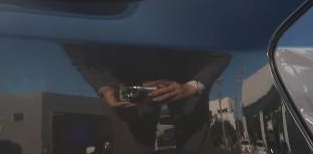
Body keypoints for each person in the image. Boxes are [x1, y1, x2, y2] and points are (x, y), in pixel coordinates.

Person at [62, 42, 231, 154]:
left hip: (190, 112)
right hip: (130, 113)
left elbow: (222, 53)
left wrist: (192, 86)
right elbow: (81, 57)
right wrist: (105, 87)